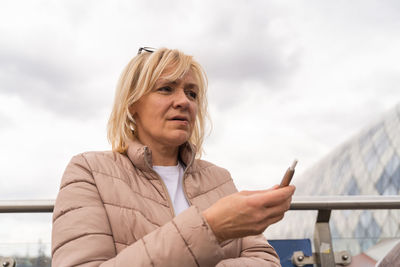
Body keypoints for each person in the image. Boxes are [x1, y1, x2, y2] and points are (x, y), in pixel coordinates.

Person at [51, 47, 295, 267]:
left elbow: (265, 260)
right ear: (132, 103)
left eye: (192, 94)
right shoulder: (89, 171)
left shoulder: (219, 179)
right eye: (166, 89)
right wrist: (211, 228)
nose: (183, 102)